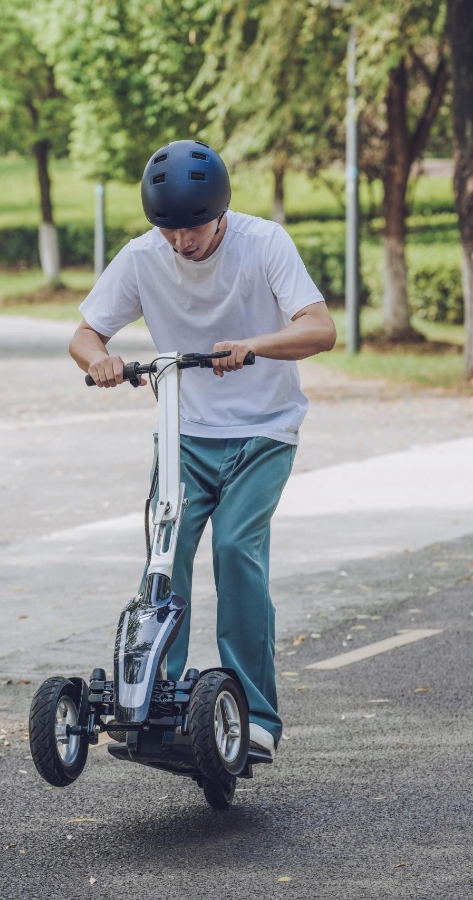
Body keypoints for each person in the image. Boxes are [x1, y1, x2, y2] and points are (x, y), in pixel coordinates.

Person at [69, 139, 336, 758]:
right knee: (166, 554)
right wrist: (102, 360)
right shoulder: (143, 257)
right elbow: (85, 333)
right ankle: (156, 701)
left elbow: (319, 328)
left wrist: (254, 345)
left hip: (263, 430)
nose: (181, 243)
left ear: (220, 211)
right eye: (168, 228)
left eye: (193, 227)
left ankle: (256, 714)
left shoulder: (264, 243)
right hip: (185, 432)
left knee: (237, 547)